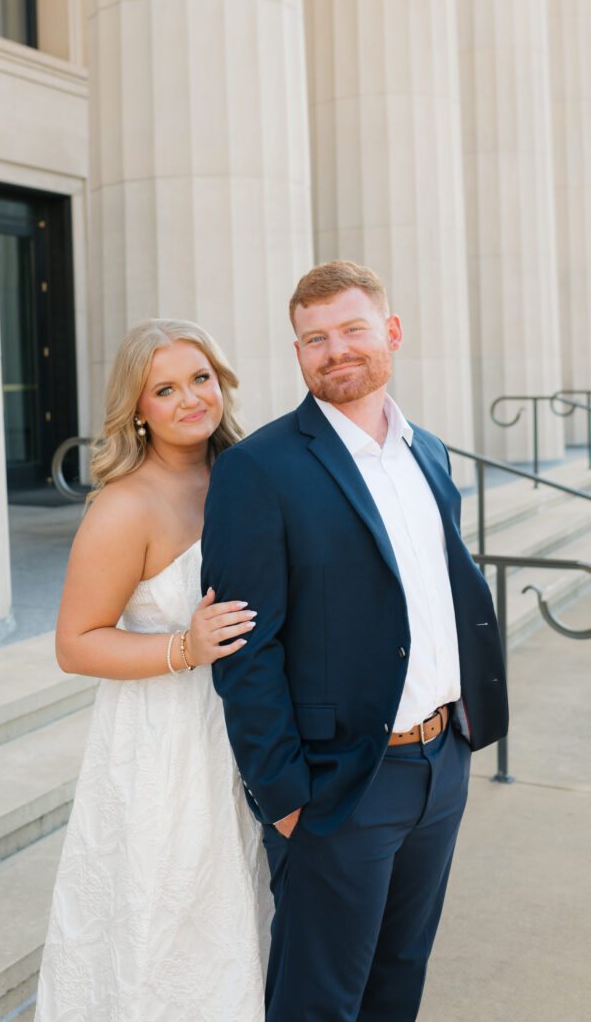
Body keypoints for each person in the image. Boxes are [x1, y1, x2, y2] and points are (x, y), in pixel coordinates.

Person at [202, 260, 509, 1021]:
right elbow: (247, 649)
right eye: (313, 339)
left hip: (440, 764)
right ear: (298, 352)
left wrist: (463, 734)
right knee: (318, 999)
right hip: (339, 786)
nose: (333, 350)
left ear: (390, 334)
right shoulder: (258, 469)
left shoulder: (428, 452)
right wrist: (282, 797)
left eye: (350, 330)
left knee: (398, 977)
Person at [35, 319, 271, 1022]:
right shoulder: (123, 505)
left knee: (243, 913)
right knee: (166, 921)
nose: (189, 399)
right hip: (164, 745)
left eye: (199, 379)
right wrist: (183, 649)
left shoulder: (248, 475)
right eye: (164, 389)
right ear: (137, 408)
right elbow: (75, 643)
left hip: (248, 733)